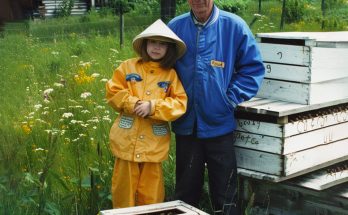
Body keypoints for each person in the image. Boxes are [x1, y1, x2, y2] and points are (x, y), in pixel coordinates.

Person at [168, 1, 265, 214]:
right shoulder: (175, 27)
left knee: (225, 192)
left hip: (219, 123)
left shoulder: (234, 26)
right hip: (186, 124)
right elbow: (159, 68)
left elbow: (253, 69)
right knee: (185, 192)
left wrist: (228, 99)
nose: (198, 1)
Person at [106, 19, 187, 208]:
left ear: (169, 49)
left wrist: (153, 107)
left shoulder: (170, 75)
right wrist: (133, 103)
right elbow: (113, 91)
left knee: (151, 195)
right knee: (123, 192)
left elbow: (179, 103)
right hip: (126, 143)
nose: (156, 47)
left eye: (162, 44)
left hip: (153, 146)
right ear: (144, 44)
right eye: (152, 42)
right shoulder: (128, 67)